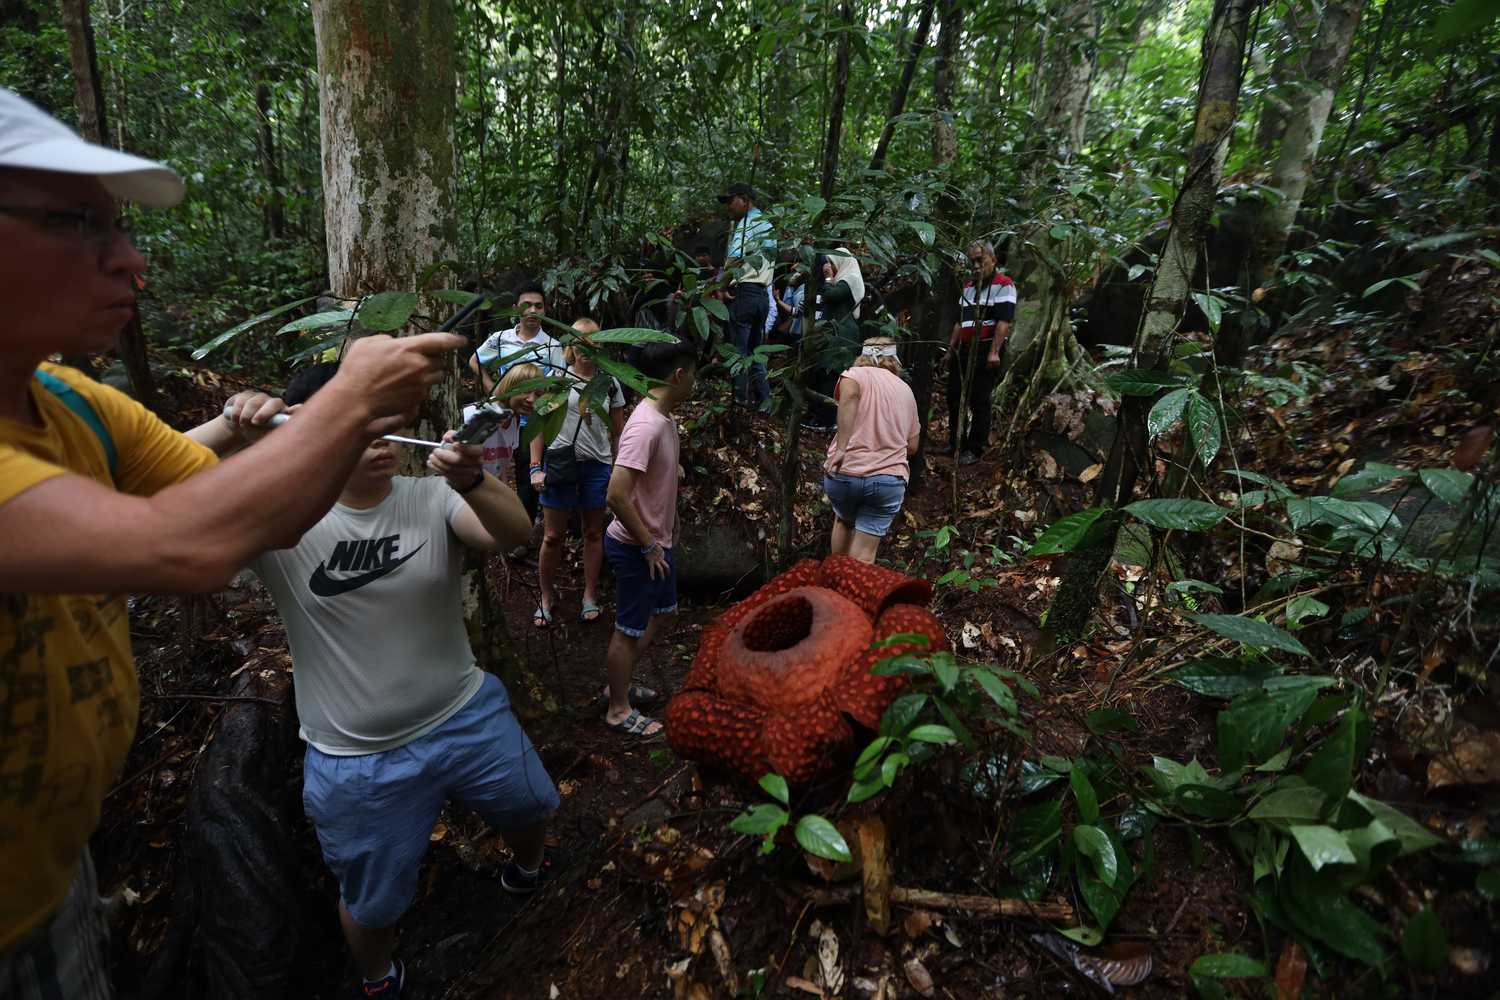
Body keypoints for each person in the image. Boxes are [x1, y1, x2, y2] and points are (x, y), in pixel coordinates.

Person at [0, 88, 462, 997]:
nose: (130, 264)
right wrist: (348, 400)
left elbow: (236, 500)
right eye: (79, 227)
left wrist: (275, 431)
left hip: (50, 881)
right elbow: (190, 545)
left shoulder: (68, 402)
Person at [237, 364, 557, 1000]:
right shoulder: (279, 525)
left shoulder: (430, 498)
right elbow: (149, 499)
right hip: (358, 759)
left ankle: (527, 870)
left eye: (386, 417)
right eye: (356, 418)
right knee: (374, 898)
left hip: (467, 714)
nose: (381, 432)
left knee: (530, 805)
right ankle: (378, 978)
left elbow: (513, 533)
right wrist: (232, 431)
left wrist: (469, 477)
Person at [601, 335, 699, 738]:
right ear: (678, 375)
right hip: (637, 546)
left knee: (663, 614)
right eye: (693, 375)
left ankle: (619, 681)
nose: (696, 382)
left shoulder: (664, 416)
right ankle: (617, 708)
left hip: (657, 542)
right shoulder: (645, 426)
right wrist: (648, 544)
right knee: (629, 629)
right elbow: (615, 494)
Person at [527, 319, 626, 627]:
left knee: (593, 532)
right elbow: (538, 427)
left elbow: (619, 431)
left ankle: (589, 595)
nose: (587, 348)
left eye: (593, 341)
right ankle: (545, 596)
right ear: (571, 346)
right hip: (560, 463)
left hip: (597, 464)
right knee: (553, 535)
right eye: (580, 342)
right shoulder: (556, 379)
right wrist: (534, 467)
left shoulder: (610, 381)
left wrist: (619, 469)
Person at [468, 280, 565, 522]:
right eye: (527, 305)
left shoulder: (552, 346)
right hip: (504, 420)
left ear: (545, 310)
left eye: (539, 306)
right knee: (493, 469)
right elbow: (475, 361)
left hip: (533, 424)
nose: (533, 311)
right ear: (515, 308)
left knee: (526, 477)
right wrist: (497, 394)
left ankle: (523, 530)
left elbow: (558, 387)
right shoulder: (501, 339)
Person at [823, 338, 920, 564]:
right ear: (894, 360)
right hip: (887, 479)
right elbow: (912, 446)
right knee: (863, 555)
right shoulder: (906, 390)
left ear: (863, 356)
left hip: (846, 472)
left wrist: (842, 448)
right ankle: (853, 597)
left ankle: (831, 587)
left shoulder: (853, 375)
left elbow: (849, 398)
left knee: (844, 520)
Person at [944, 239, 1016, 465]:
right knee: (954, 396)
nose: (975, 266)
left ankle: (975, 448)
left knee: (979, 400)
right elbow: (959, 323)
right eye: (972, 261)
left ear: (993, 260)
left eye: (980, 261)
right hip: (963, 350)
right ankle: (956, 443)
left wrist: (994, 352)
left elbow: (1003, 322)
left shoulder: (1004, 284)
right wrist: (950, 351)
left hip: (985, 349)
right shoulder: (967, 287)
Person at [718, 182, 774, 411]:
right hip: (762, 297)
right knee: (755, 352)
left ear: (744, 199)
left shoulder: (746, 226)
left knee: (739, 353)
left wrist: (721, 287)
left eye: (730, 201)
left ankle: (739, 404)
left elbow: (733, 261)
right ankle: (764, 405)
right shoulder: (768, 224)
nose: (728, 207)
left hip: (746, 293)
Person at [806, 249, 865, 431]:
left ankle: (829, 420)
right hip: (832, 334)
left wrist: (829, 278)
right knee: (823, 373)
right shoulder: (842, 279)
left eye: (832, 263)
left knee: (831, 375)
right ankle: (820, 416)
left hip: (842, 337)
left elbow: (832, 295)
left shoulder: (851, 278)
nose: (828, 267)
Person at [462, 362, 543, 481]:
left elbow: (501, 468)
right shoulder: (481, 416)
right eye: (526, 390)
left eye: (538, 394)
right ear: (509, 387)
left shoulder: (514, 419)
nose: (532, 399)